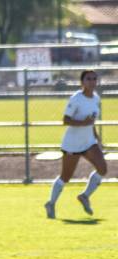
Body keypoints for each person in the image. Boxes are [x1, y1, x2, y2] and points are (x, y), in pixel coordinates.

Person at [45, 70, 107, 219]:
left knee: (102, 169)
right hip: (72, 144)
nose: (92, 81)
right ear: (82, 82)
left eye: (94, 79)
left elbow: (91, 121)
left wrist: (96, 137)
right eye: (88, 79)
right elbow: (65, 120)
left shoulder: (96, 98)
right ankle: (51, 203)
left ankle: (84, 196)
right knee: (65, 177)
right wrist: (83, 123)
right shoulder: (76, 99)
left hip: (88, 142)